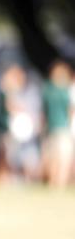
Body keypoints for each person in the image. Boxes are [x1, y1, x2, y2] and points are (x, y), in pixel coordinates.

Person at [41, 59, 74, 188]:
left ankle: (58, 182)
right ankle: (57, 181)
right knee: (58, 157)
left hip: (59, 127)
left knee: (59, 156)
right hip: (59, 127)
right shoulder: (57, 90)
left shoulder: (52, 89)